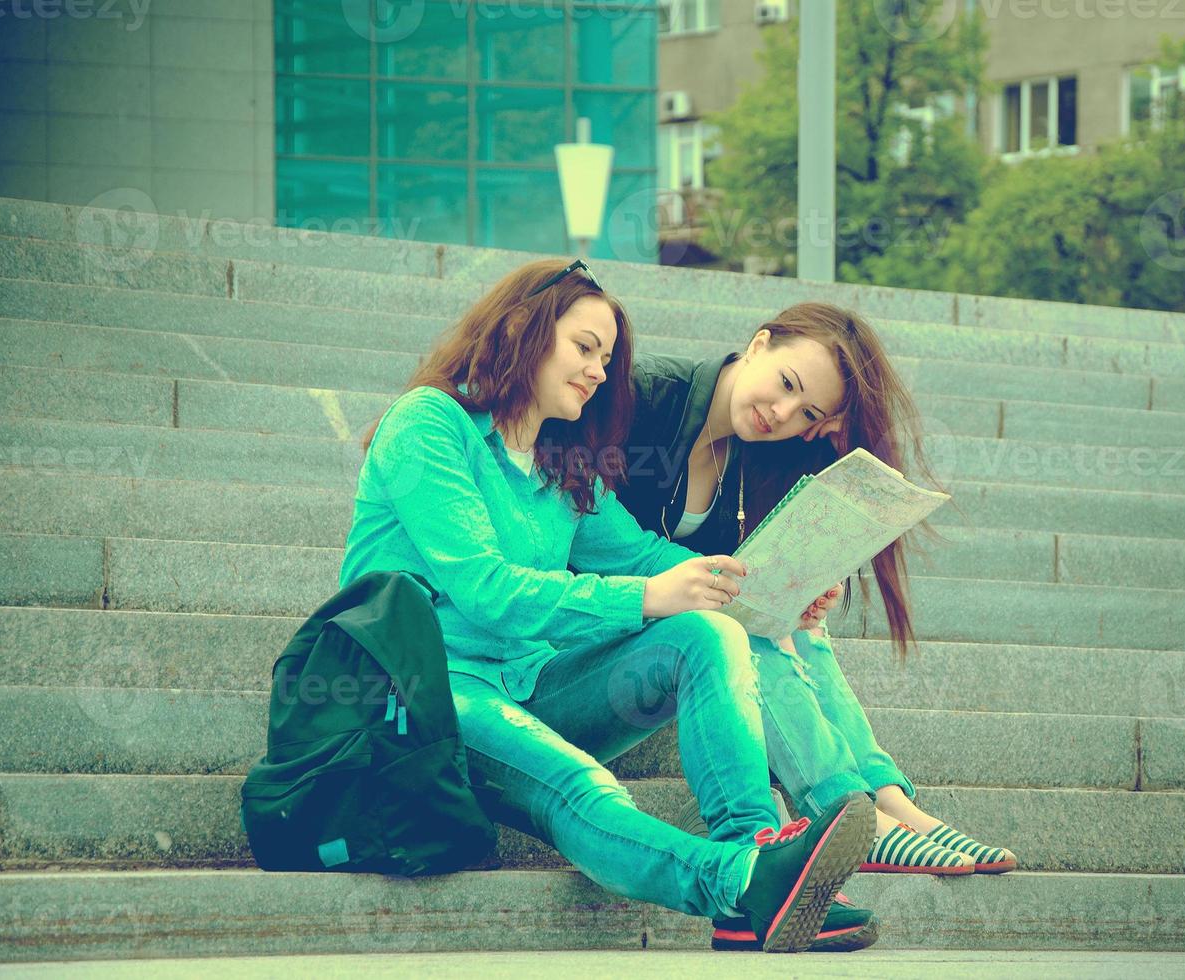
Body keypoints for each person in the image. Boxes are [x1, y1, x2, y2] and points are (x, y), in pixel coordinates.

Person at [338, 259, 877, 953]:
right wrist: (645, 598)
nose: (599, 371)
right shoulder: (431, 425)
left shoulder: (562, 459)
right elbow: (488, 590)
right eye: (584, 348)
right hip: (423, 696)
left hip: (529, 684)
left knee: (706, 633)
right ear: (525, 331)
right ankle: (740, 886)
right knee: (580, 783)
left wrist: (773, 592)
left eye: (607, 357)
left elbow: (646, 558)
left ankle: (758, 851)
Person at [618, 301, 1018, 875]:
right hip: (606, 628)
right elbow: (591, 537)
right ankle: (843, 813)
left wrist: (800, 591)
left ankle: (891, 804)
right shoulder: (647, 398)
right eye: (785, 383)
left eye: (807, 413)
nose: (780, 414)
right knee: (742, 626)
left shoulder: (759, 454)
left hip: (681, 631)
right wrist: (719, 582)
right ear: (758, 344)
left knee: (800, 629)